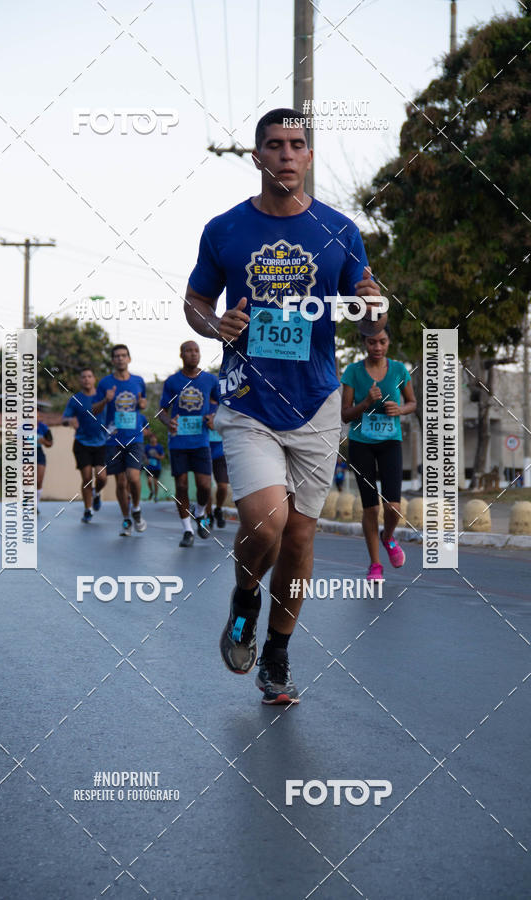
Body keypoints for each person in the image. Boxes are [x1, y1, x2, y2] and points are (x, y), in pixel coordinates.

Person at [183, 107, 385, 704]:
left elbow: (367, 314)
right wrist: (216, 324)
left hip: (317, 402)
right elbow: (195, 301)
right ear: (257, 156)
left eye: (297, 145)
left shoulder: (340, 230)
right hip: (249, 401)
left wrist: (373, 307)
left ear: (309, 156)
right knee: (265, 521)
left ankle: (276, 654)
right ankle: (246, 599)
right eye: (275, 145)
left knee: (298, 538)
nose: (287, 154)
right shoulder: (225, 229)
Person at [340, 325, 416, 581]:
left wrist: (400, 410)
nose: (377, 347)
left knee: (393, 507)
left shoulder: (399, 370)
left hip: (390, 442)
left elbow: (412, 403)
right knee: (371, 508)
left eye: (382, 341)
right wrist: (366, 403)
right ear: (364, 343)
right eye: (372, 342)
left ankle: (388, 536)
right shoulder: (353, 372)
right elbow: (345, 414)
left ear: (388, 342)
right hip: (361, 444)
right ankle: (375, 564)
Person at [158, 341, 219, 547]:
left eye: (196, 351)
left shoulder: (210, 380)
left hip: (201, 441)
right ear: (181, 355)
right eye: (189, 351)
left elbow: (222, 403)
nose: (193, 354)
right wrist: (168, 422)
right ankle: (187, 530)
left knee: (204, 486)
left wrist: (213, 416)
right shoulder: (172, 381)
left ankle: (200, 513)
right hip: (178, 442)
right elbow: (161, 411)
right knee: (181, 485)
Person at [93, 345, 148, 536]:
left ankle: (137, 509)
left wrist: (143, 404)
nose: (120, 359)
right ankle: (126, 520)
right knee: (121, 482)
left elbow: (143, 402)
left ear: (129, 359)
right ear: (112, 360)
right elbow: (94, 410)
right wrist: (105, 400)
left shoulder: (139, 381)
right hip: (113, 439)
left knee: (133, 477)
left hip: (135, 437)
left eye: (124, 355)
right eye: (116, 356)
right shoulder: (105, 383)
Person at [62, 367, 108, 523]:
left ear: (94, 379)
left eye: (89, 376)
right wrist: (69, 421)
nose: (86, 379)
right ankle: (88, 510)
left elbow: (113, 415)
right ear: (80, 380)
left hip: (101, 442)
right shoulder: (75, 399)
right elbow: (64, 419)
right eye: (83, 377)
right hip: (82, 443)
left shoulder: (103, 397)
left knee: (102, 477)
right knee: (87, 477)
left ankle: (97, 493)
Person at [205, 406, 228, 528]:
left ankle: (218, 509)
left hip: (221, 453)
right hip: (204, 452)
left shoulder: (224, 404)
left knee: (223, 486)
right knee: (206, 487)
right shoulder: (203, 404)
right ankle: (208, 515)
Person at [36, 418, 53, 512]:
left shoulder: (44, 428)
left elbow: (50, 443)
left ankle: (35, 505)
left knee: (39, 481)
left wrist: (43, 441)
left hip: (39, 454)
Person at [144, 433, 165, 501]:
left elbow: (162, 456)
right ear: (150, 439)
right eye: (151, 438)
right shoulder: (147, 447)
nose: (153, 439)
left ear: (156, 439)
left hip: (157, 467)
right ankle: (151, 491)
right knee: (149, 481)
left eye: (154, 438)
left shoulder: (159, 447)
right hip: (149, 467)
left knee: (155, 483)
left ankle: (156, 496)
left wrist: (157, 456)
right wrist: (146, 459)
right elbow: (144, 454)